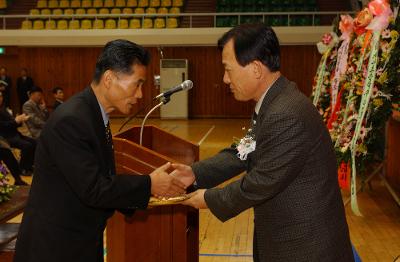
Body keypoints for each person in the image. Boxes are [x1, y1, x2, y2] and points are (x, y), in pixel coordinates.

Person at [173, 24, 354, 261]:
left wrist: (206, 198)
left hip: (305, 248)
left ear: (256, 68)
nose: (224, 79)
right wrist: (194, 174)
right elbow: (242, 151)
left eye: (228, 69)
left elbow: (260, 183)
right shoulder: (273, 103)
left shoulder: (284, 113)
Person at [14, 39, 187, 262]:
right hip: (54, 247)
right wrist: (149, 184)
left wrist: (152, 190)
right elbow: (93, 188)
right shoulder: (72, 119)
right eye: (137, 84)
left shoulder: (93, 114)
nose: (140, 95)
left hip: (79, 241)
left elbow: (103, 180)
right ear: (108, 78)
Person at [0, 91, 35, 176]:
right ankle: (22, 168)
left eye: (1, 96)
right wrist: (16, 121)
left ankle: (28, 166)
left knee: (34, 142)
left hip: (14, 134)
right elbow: (3, 126)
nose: (0, 98)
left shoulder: (3, 108)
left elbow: (12, 122)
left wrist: (20, 120)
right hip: (5, 137)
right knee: (27, 145)